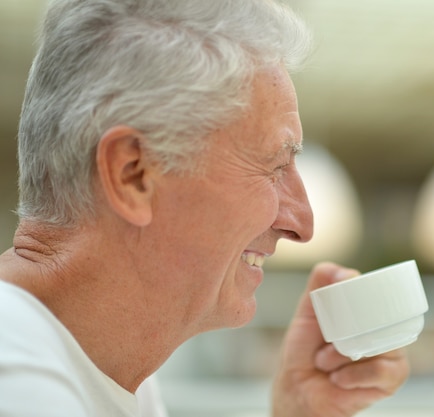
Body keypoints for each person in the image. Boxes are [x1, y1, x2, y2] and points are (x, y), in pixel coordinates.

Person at [0, 0, 410, 416]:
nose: (302, 224)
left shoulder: (98, 367)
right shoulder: (17, 380)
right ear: (133, 174)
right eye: (274, 166)